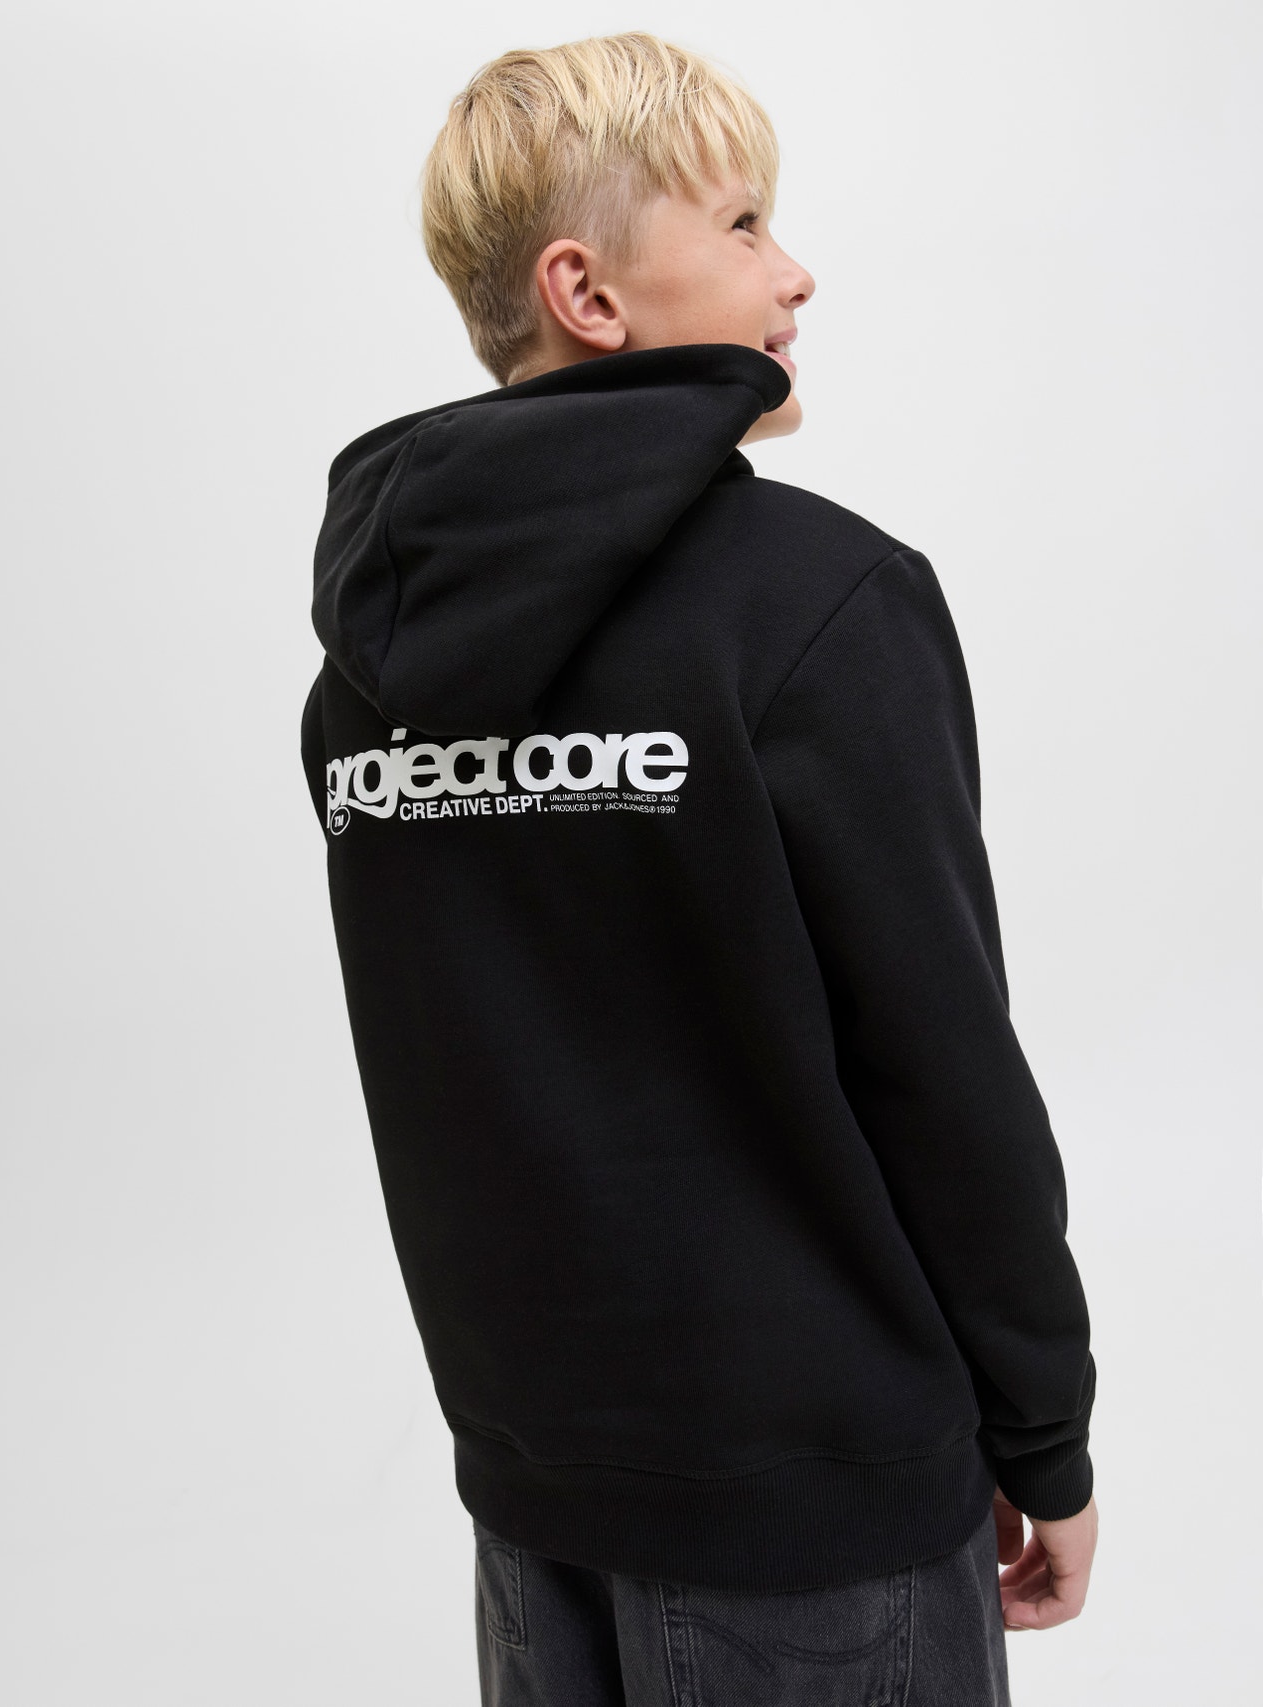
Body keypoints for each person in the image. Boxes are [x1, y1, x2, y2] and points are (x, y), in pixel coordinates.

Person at [300, 30, 1099, 1706]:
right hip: (822, 1514)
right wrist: (1046, 1430)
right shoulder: (818, 605)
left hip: (537, 1506)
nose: (793, 271)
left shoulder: (364, 684)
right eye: (741, 225)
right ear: (587, 293)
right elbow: (943, 1070)